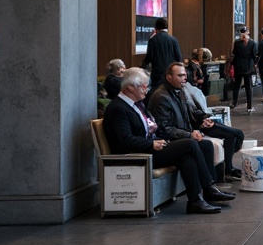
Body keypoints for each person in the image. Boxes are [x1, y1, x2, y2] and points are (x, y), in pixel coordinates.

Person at [103, 68, 234, 214]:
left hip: (152, 146)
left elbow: (154, 128)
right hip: (138, 153)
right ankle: (208, 188)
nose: (147, 90)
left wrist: (190, 131)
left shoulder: (137, 104)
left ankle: (195, 200)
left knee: (203, 146)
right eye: (144, 86)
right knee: (190, 144)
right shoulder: (118, 108)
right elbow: (125, 140)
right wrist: (151, 144)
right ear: (130, 87)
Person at [148, 62, 245, 183]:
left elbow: (192, 110)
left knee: (236, 133)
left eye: (185, 75)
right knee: (205, 145)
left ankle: (221, 175)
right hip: (182, 133)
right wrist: (190, 134)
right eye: (180, 75)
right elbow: (165, 129)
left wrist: (204, 118)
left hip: (193, 126)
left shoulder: (179, 90)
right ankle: (210, 184)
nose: (184, 78)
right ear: (169, 77)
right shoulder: (161, 97)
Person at [144, 17, 183, 92]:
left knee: (156, 92)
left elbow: (149, 57)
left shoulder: (152, 40)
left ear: (156, 27)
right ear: (167, 27)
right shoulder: (173, 40)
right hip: (171, 72)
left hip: (157, 73)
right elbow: (179, 58)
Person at [230, 26, 258, 113]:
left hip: (238, 66)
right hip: (248, 68)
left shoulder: (237, 42)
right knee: (248, 87)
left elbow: (234, 53)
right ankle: (249, 106)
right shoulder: (252, 43)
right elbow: (254, 55)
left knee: (236, 86)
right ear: (248, 32)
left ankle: (234, 102)